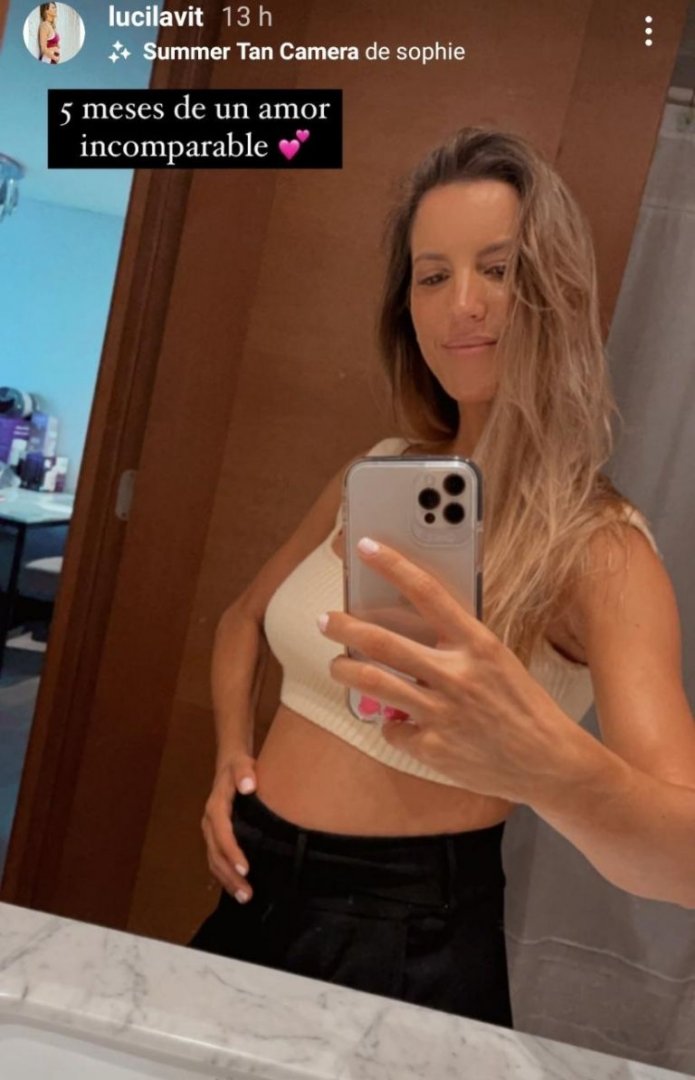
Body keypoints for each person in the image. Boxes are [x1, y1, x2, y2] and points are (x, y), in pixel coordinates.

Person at [191, 128, 695, 1026]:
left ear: (555, 289)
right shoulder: (376, 472)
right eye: (431, 276)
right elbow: (240, 619)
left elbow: (684, 861)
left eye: (498, 269)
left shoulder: (597, 546)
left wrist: (545, 764)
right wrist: (231, 759)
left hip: (404, 933)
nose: (462, 304)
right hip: (253, 885)